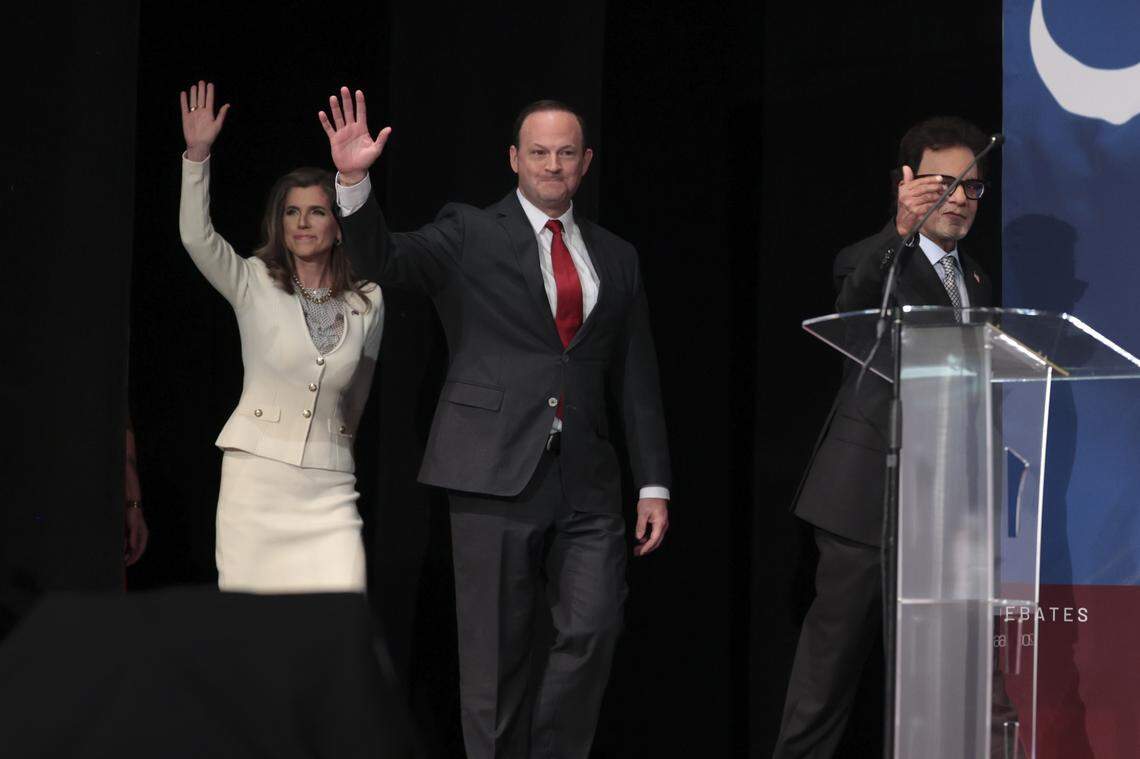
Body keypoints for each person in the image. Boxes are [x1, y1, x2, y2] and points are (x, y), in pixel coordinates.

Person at [318, 88, 671, 758]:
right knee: (494, 659)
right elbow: (381, 262)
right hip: (490, 468)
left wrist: (654, 480)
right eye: (538, 152)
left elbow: (636, 374)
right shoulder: (470, 232)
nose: (553, 165)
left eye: (567, 153)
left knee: (593, 629)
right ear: (514, 158)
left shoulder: (617, 255)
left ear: (587, 160)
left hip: (588, 480)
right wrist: (354, 182)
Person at [775, 116, 995, 757]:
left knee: (948, 685)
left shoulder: (977, 281)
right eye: (943, 183)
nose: (958, 198)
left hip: (945, 510)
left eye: (972, 187)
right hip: (864, 500)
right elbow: (852, 307)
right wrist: (899, 234)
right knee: (827, 679)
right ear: (907, 183)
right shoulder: (869, 258)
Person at [178, 81, 384, 593]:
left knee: (338, 618)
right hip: (256, 481)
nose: (303, 223)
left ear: (338, 225)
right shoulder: (251, 280)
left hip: (329, 485)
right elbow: (195, 237)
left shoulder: (369, 298)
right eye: (292, 212)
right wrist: (198, 155)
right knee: (252, 628)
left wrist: (332, 448)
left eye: (317, 211)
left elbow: (358, 396)